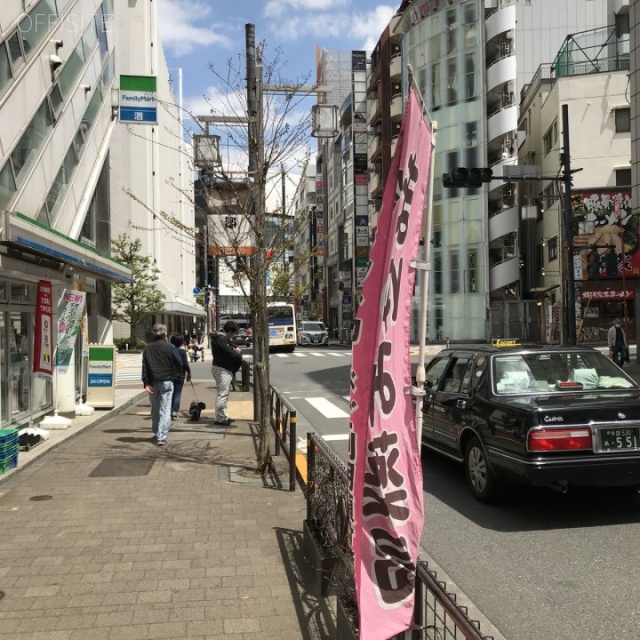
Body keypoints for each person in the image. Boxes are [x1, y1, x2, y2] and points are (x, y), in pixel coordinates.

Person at [142, 324, 183, 445]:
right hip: (167, 380)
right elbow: (179, 362)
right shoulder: (170, 347)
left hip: (153, 381)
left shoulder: (148, 348)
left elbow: (144, 367)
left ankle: (156, 431)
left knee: (155, 408)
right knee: (165, 409)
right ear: (165, 333)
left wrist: (145, 382)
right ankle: (161, 435)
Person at [211, 320, 243, 426]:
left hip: (222, 368)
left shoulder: (222, 339)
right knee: (222, 394)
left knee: (224, 394)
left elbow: (231, 346)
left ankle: (223, 416)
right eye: (233, 333)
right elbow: (230, 352)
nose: (233, 335)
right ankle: (219, 418)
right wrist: (237, 351)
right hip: (222, 369)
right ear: (229, 331)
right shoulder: (221, 339)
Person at [169, 334, 191, 420]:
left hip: (170, 375)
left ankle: (169, 411)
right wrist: (189, 373)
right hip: (180, 375)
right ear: (181, 343)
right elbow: (185, 364)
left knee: (170, 394)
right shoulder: (182, 352)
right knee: (177, 393)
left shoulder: (169, 351)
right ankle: (174, 413)